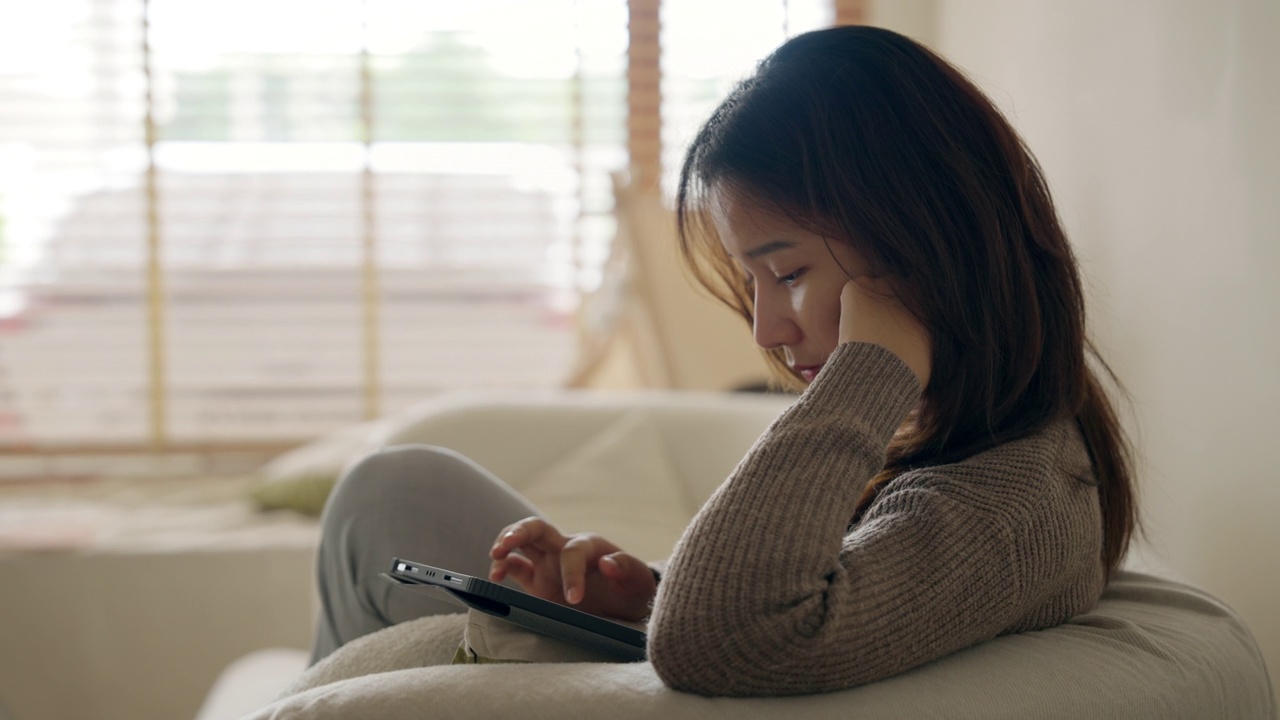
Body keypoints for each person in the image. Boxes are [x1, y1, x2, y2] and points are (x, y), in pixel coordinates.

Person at [308, 25, 1137, 697]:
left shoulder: (1013, 510)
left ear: (925, 249)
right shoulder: (994, 457)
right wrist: (648, 597)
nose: (766, 331)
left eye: (788, 273)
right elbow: (841, 592)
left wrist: (870, 372)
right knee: (396, 487)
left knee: (386, 501)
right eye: (753, 282)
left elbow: (728, 635)